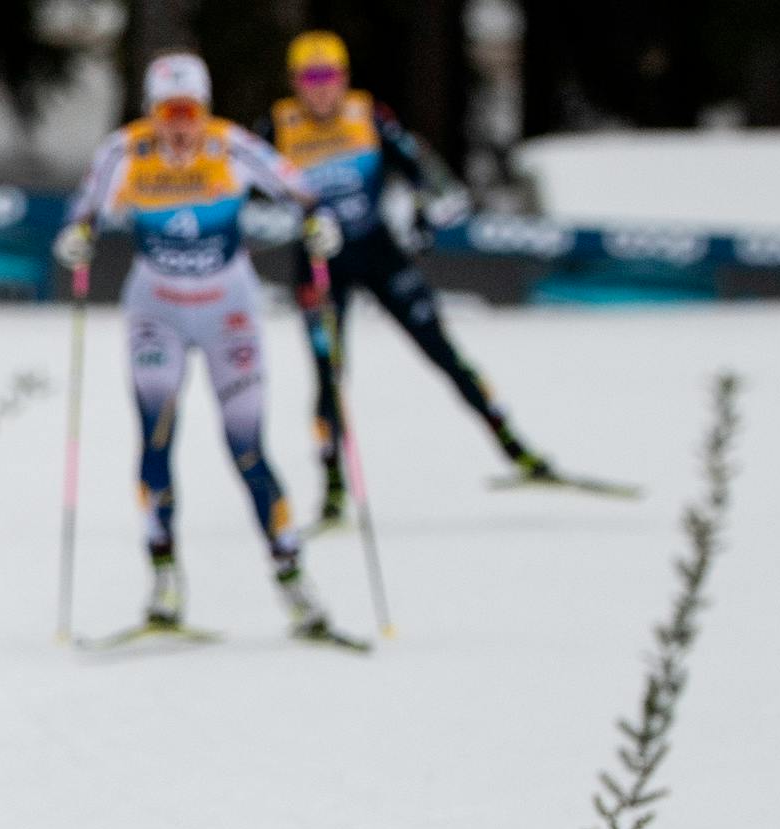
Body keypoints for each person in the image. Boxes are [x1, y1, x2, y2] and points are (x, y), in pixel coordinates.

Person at [53, 52, 349, 642]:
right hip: (156, 312)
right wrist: (77, 238)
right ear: (152, 112)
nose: (180, 125)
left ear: (205, 111)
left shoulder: (231, 147)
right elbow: (83, 215)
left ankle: (294, 583)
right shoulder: (125, 151)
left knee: (247, 448)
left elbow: (301, 191)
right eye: (169, 112)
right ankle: (164, 584)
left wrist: (319, 224)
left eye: (190, 112)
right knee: (156, 439)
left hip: (228, 313)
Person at [255, 30, 558, 523]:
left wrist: (423, 212)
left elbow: (420, 169)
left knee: (442, 350)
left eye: (329, 75)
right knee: (328, 372)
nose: (321, 88)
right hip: (318, 262)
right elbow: (244, 183)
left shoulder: (366, 115)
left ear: (344, 77)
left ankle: (514, 446)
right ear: (295, 83)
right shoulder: (278, 126)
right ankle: (333, 487)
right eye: (310, 78)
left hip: (377, 250)